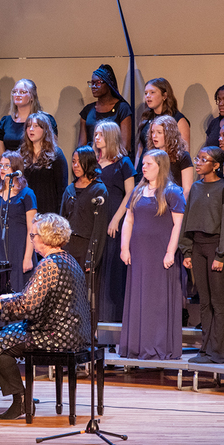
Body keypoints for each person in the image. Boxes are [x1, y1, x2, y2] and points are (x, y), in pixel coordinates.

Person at [0, 213, 90, 420]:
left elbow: (26, 306)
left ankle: (20, 399)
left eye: (33, 235)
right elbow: (32, 297)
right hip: (71, 330)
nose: (31, 239)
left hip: (55, 334)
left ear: (45, 237)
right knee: (2, 336)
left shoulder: (48, 265)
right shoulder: (67, 259)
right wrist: (6, 298)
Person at [119, 149, 186, 360]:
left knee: (157, 300)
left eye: (148, 164)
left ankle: (157, 347)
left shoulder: (172, 192)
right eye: (143, 164)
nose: (143, 167)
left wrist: (170, 252)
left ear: (160, 166)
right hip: (139, 253)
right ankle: (137, 346)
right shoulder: (138, 190)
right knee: (139, 296)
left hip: (160, 253)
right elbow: (128, 220)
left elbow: (178, 225)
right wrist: (124, 248)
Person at [179, 147, 224, 364]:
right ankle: (205, 349)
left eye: (204, 159)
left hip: (215, 248)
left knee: (217, 301)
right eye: (198, 158)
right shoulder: (195, 187)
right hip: (198, 247)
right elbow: (187, 220)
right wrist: (187, 249)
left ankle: (218, 351)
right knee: (204, 301)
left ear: (216, 165)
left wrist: (221, 255)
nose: (199, 162)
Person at [93, 121, 134, 337]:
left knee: (113, 274)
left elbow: (130, 193)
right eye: (96, 133)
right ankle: (97, 327)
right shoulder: (94, 163)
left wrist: (116, 219)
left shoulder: (123, 163)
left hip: (114, 223)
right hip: (97, 223)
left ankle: (114, 328)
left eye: (101, 134)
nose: (97, 137)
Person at [0, 152, 37, 290]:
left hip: (19, 247)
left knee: (18, 289)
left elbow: (32, 228)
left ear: (16, 168)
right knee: (0, 288)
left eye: (7, 166)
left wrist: (28, 257)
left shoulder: (27, 193)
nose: (2, 169)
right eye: (0, 165)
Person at [60, 146, 108, 276]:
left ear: (89, 162)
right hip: (68, 247)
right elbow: (62, 220)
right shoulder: (69, 189)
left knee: (83, 290)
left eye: (79, 162)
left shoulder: (99, 190)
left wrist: (92, 257)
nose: (75, 165)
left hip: (86, 247)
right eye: (73, 161)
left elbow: (100, 227)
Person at [20, 112, 68, 215]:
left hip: (48, 210)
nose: (31, 129)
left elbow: (62, 188)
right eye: (28, 126)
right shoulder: (21, 153)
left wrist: (61, 215)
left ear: (45, 130)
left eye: (36, 126)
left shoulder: (56, 154)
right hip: (26, 209)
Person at [79, 64, 132, 153]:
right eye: (92, 83)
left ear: (108, 84)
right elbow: (81, 146)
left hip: (114, 161)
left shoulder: (122, 108)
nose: (93, 86)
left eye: (98, 83)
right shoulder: (87, 110)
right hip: (92, 161)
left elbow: (125, 146)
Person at [0, 78, 56, 152]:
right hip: (10, 162)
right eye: (15, 92)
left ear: (32, 96)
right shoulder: (5, 121)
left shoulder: (46, 120)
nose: (17, 95)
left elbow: (51, 150)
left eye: (22, 92)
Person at [138, 78, 190, 153]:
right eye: (146, 93)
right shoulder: (147, 117)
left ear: (164, 96)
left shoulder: (178, 120)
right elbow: (141, 149)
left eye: (152, 92)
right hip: (145, 163)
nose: (148, 96)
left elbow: (185, 153)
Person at [149, 114, 194, 196]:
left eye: (159, 132)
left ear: (169, 134)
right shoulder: (151, 156)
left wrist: (179, 207)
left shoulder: (183, 156)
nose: (154, 136)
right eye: (152, 132)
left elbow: (187, 189)